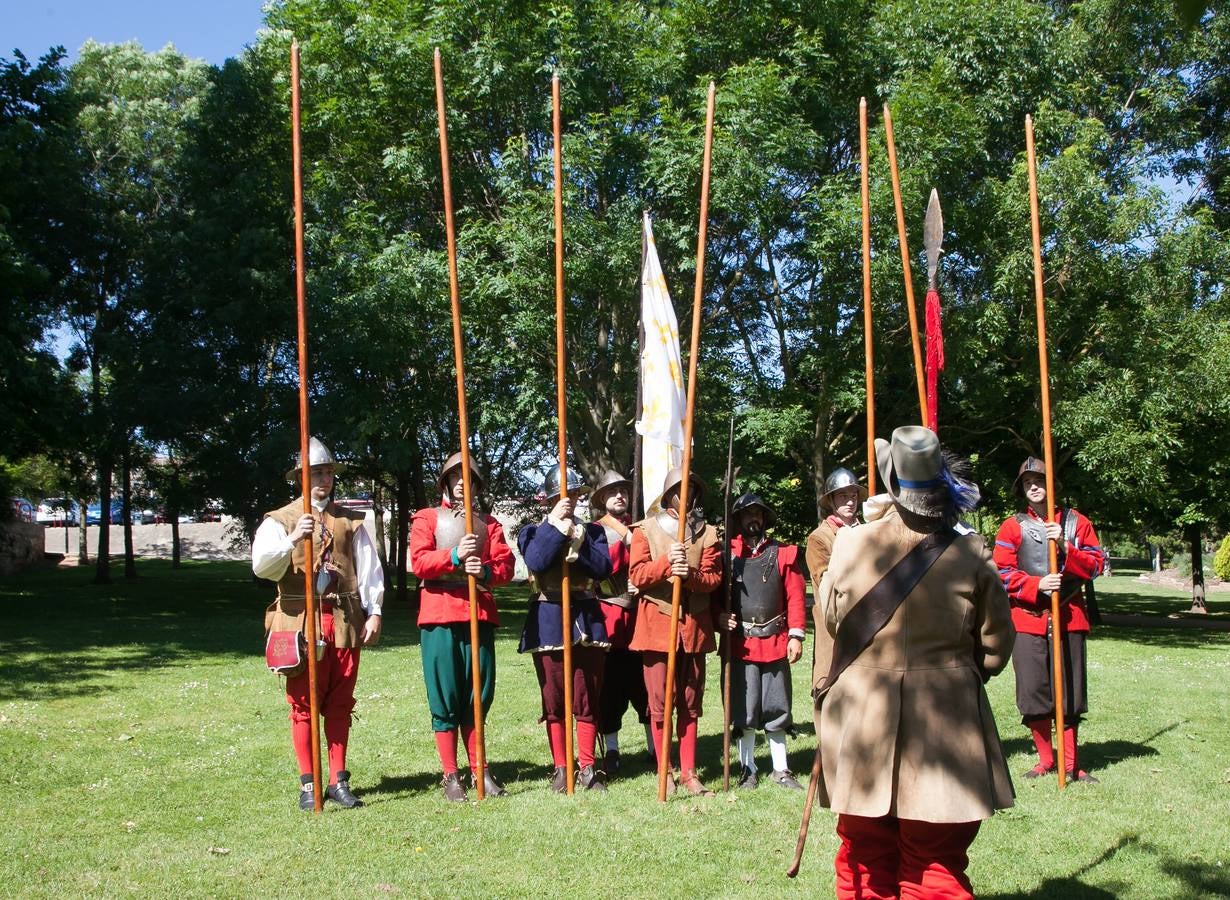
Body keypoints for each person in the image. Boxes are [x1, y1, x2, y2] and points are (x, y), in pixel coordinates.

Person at [816, 426, 1015, 898]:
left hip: (863, 716)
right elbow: (995, 645)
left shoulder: (851, 543)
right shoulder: (971, 552)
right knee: (936, 862)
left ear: (890, 488)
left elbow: (832, 618)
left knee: (864, 855)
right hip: (947, 717)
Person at [253, 437, 384, 810]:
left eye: (328, 472)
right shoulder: (280, 520)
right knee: (303, 704)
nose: (325, 479)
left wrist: (374, 611)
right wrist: (295, 537)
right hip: (296, 621)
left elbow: (369, 571)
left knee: (340, 702)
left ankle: (338, 781)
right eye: (317, 472)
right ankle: (309, 784)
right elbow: (263, 567)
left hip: (343, 619)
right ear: (301, 477)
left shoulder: (349, 520)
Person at [409, 451, 515, 802]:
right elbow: (420, 561)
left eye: (468, 480)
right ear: (446, 482)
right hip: (439, 614)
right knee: (445, 694)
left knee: (478, 694)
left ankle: (480, 769)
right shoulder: (426, 518)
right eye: (456, 479)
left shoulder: (489, 524)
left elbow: (505, 566)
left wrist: (483, 571)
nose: (461, 486)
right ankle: (451, 774)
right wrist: (453, 556)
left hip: (477, 614)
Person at [993, 456, 1106, 783]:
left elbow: (1096, 566)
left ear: (1050, 484)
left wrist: (1067, 549)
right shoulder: (1012, 526)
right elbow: (1000, 572)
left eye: (1039, 481)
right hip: (1028, 620)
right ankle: (1045, 760)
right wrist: (1035, 584)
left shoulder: (1076, 522)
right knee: (1033, 692)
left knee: (1069, 695)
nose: (1034, 487)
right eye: (1028, 482)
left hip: (1068, 616)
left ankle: (1070, 764)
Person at [628, 467, 723, 796]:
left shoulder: (708, 533)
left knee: (690, 702)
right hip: (657, 624)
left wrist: (691, 575)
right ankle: (663, 769)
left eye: (691, 488)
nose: (686, 493)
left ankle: (689, 772)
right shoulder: (646, 530)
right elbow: (638, 576)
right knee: (659, 703)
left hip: (694, 627)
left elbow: (713, 579)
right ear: (668, 493)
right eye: (679, 488)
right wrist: (668, 563)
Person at [518, 467, 613, 792]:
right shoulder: (531, 532)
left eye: (573, 494)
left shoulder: (593, 532)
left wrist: (578, 540)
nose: (569, 500)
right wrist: (556, 529)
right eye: (562, 495)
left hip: (586, 618)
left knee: (586, 695)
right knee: (554, 699)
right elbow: (538, 560)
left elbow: (602, 569)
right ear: (548, 499)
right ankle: (561, 767)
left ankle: (587, 767)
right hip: (547, 620)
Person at [719, 493, 807, 790]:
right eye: (746, 514)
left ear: (764, 518)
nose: (752, 519)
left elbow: (795, 595)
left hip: (775, 641)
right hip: (739, 643)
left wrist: (796, 634)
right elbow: (715, 595)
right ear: (738, 520)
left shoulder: (783, 554)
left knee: (776, 704)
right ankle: (747, 768)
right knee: (744, 707)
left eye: (757, 514)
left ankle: (781, 768)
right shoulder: (726, 555)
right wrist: (721, 617)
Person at [590, 470, 653, 775]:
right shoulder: (594, 530)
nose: (619, 496)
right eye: (613, 492)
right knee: (610, 689)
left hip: (639, 617)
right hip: (609, 615)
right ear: (602, 498)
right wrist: (628, 544)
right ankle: (612, 749)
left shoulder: (641, 528)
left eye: (623, 492)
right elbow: (597, 568)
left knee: (645, 686)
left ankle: (654, 746)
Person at [805, 468, 867, 697]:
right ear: (831, 501)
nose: (850, 502)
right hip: (833, 621)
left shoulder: (869, 532)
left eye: (853, 496)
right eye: (843, 496)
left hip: (867, 618)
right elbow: (826, 583)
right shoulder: (819, 538)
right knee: (831, 689)